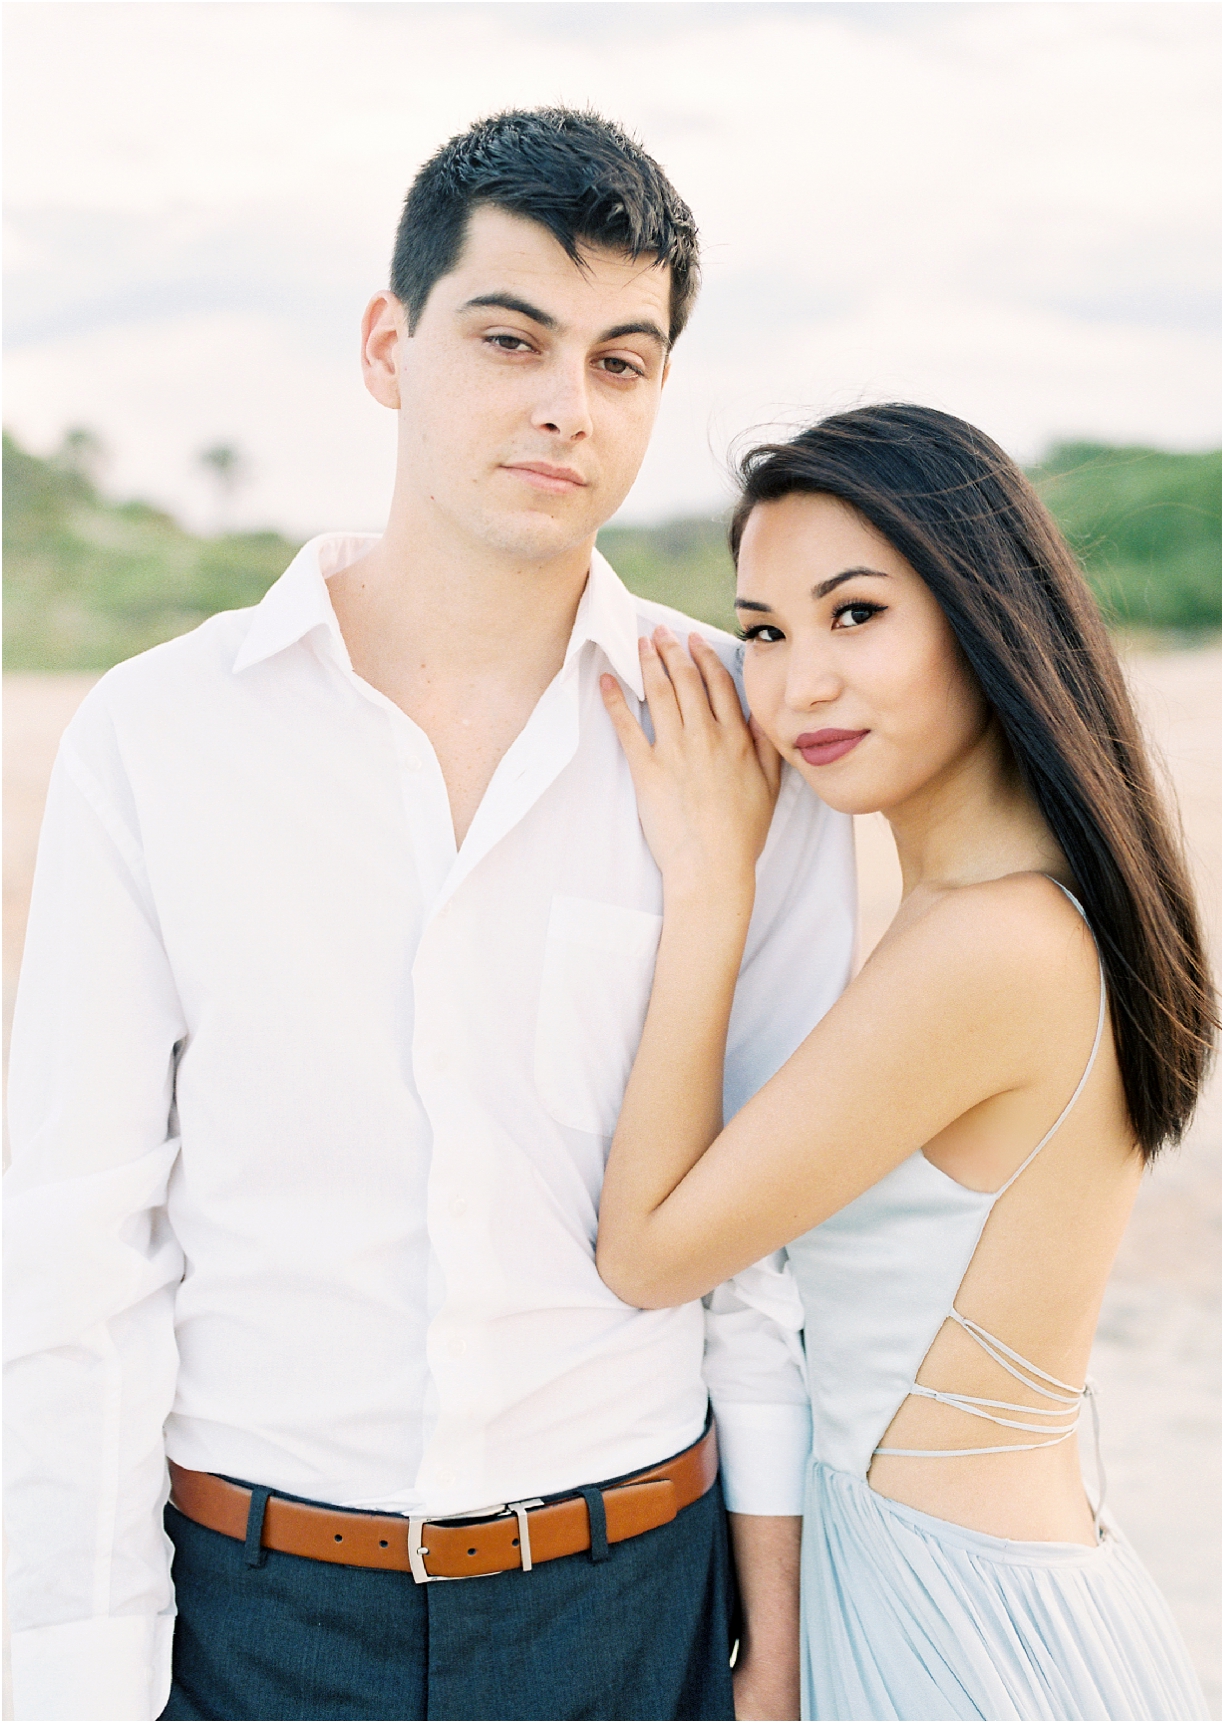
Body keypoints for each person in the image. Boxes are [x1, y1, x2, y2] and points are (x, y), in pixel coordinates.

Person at [3, 110, 857, 1723]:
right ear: (390, 346)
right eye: (510, 338)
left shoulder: (743, 742)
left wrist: (779, 1651)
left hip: (628, 1598)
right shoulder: (159, 733)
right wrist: (74, 1683)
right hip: (246, 1613)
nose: (563, 404)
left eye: (622, 361)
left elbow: (769, 1256)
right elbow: (76, 1252)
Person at [596, 403, 1213, 1721]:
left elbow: (648, 1254)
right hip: (984, 1590)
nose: (794, 684)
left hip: (951, 1628)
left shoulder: (988, 950)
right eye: (762, 630)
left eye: (855, 614)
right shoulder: (1008, 914)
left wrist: (710, 886)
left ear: (987, 616)